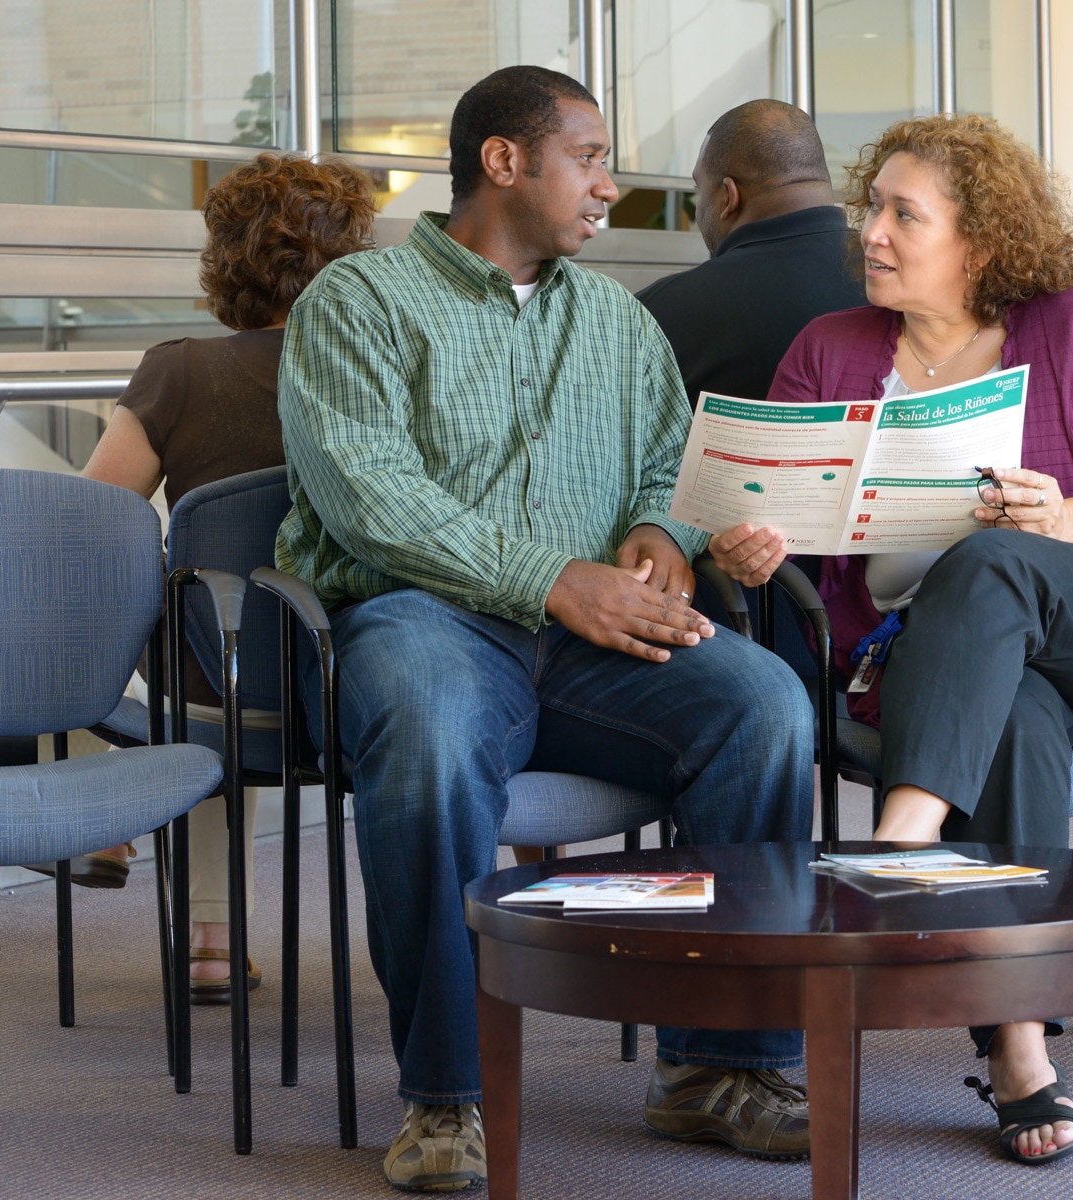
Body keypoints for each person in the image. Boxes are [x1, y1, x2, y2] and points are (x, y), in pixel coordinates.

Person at [275, 66, 815, 1193]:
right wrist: (555, 580)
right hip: (423, 622)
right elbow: (371, 499)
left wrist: (662, 531)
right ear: (504, 162)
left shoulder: (614, 319)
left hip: (588, 646)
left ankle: (719, 1068)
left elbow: (673, 458)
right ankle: (446, 1096)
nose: (611, 186)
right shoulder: (357, 304)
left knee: (763, 705)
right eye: (590, 157)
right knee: (425, 733)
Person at [710, 114, 1073, 1168]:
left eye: (905, 214)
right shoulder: (832, 348)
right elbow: (774, 510)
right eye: (873, 208)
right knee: (1015, 722)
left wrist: (1054, 519)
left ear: (979, 241)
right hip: (929, 659)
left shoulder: (1070, 327)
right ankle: (1021, 1048)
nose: (874, 233)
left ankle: (896, 847)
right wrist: (751, 549)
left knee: (985, 562)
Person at [76, 151, 376, 1002]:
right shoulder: (387, 372)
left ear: (224, 258)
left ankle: (202, 935)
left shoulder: (180, 370)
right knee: (225, 634)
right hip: (357, 677)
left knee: (200, 636)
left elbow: (90, 529)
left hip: (221, 687)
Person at [637, 97, 867, 668]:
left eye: (699, 195)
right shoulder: (906, 283)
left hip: (754, 627)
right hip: (907, 605)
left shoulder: (666, 312)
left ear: (728, 195)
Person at [637, 98, 867, 406]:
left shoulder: (656, 313)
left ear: (729, 196)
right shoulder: (897, 284)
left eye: (699, 190)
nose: (699, 206)